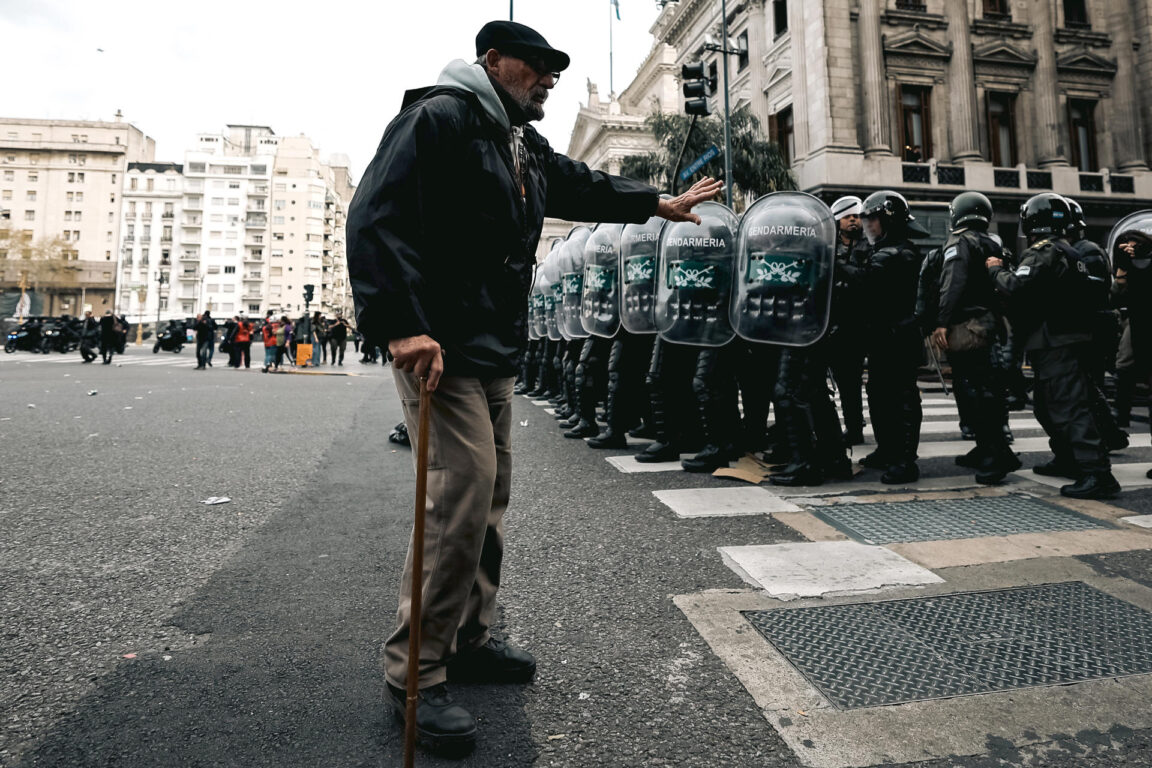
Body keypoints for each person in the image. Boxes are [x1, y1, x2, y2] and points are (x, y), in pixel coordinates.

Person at [346, 19, 722, 755]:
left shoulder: (519, 139)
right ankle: (414, 672)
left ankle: (471, 639)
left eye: (555, 69)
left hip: (491, 349)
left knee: (489, 500)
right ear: (495, 62)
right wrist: (401, 325)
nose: (548, 78)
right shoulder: (442, 117)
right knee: (459, 500)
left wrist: (654, 203)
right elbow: (374, 216)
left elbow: (579, 183)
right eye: (536, 66)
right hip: (441, 348)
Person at [986, 193, 1120, 498]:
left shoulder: (1043, 252)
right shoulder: (1070, 252)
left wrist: (995, 269)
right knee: (1051, 407)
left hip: (1057, 343)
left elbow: (1016, 287)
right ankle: (1073, 461)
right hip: (1064, 340)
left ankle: (1098, 475)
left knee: (1070, 409)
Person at [930, 192, 1019, 484]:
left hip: (967, 325)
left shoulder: (960, 242)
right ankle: (986, 449)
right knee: (986, 388)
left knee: (974, 391)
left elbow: (952, 282)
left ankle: (996, 455)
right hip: (991, 323)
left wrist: (941, 321)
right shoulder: (995, 241)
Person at [858, 191, 925, 484]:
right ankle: (887, 449)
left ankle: (906, 460)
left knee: (902, 396)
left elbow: (868, 280)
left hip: (900, 337)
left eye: (872, 220)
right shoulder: (881, 251)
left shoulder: (901, 252)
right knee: (878, 392)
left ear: (888, 221)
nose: (868, 226)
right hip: (882, 337)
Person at [827, 195, 868, 446]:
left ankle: (855, 428)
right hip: (828, 322)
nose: (853, 220)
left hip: (857, 323)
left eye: (857, 216)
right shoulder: (828, 246)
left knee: (850, 381)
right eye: (847, 217)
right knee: (839, 380)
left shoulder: (868, 246)